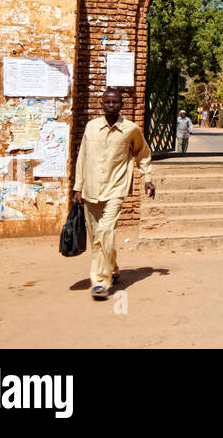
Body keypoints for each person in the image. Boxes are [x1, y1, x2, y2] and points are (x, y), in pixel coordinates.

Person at [72, 88, 154, 300]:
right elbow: (82, 157)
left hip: (116, 188)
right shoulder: (91, 127)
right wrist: (77, 187)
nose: (111, 105)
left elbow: (143, 153)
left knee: (106, 231)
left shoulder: (130, 129)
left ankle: (100, 281)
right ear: (101, 103)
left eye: (115, 102)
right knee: (96, 236)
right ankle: (113, 268)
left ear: (121, 105)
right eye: (107, 102)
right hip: (91, 189)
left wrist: (148, 177)